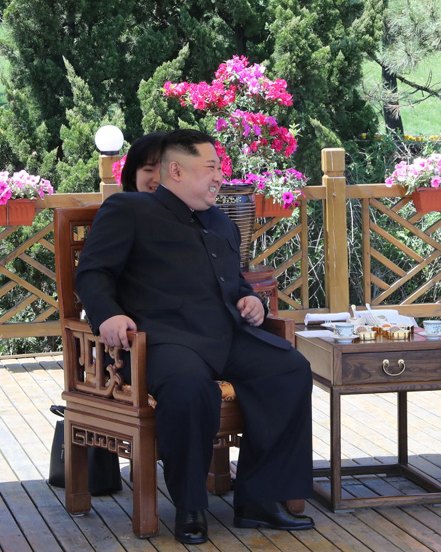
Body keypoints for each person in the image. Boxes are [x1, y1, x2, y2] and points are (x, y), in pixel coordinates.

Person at [75, 129, 315, 544]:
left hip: (224, 334)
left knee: (289, 368)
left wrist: (251, 300)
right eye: (210, 168)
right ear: (176, 171)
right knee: (190, 388)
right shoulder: (129, 209)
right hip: (161, 341)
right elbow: (93, 273)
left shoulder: (220, 220)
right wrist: (108, 314)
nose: (219, 177)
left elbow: (233, 282)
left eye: (219, 168)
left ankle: (259, 499)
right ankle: (190, 506)